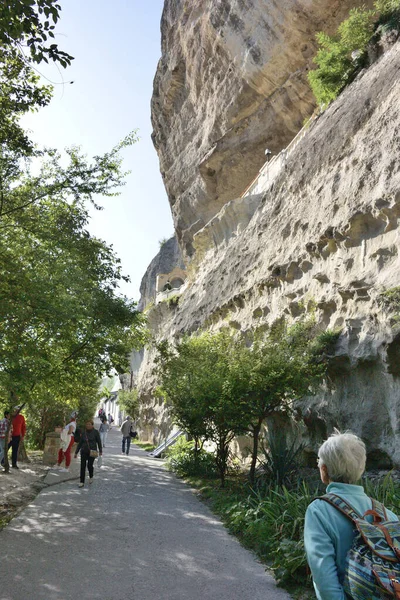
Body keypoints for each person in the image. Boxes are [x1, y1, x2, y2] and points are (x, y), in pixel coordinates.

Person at [304, 430, 398, 599]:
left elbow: (324, 578)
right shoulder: (388, 515)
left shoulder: (318, 511)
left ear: (324, 470)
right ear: (360, 469)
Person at [74, 419, 102, 488]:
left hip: (92, 452)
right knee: (82, 466)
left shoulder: (95, 432)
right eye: (87, 424)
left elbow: (99, 442)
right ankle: (81, 481)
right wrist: (76, 452)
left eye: (89, 424)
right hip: (84, 451)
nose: (88, 425)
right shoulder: (84, 433)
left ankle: (91, 476)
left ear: (92, 425)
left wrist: (100, 450)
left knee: (89, 465)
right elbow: (80, 443)